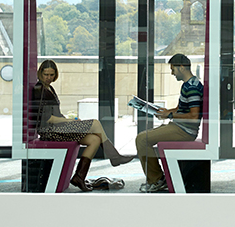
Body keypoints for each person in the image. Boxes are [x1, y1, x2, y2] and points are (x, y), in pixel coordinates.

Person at [31, 59, 134, 192]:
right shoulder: (40, 89)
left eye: (51, 75)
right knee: (95, 123)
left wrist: (69, 119)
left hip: (57, 128)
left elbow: (54, 114)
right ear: (40, 73)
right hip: (49, 131)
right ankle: (114, 157)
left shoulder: (48, 88)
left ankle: (79, 176)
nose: (49, 78)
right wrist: (69, 122)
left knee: (95, 139)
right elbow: (47, 118)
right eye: (46, 75)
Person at [135, 54, 203, 193]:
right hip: (179, 126)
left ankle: (156, 180)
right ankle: (158, 178)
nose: (172, 73)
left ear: (182, 68)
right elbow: (182, 109)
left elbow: (194, 115)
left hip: (184, 131)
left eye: (173, 69)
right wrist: (167, 112)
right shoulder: (189, 84)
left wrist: (170, 115)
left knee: (142, 139)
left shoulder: (192, 88)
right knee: (145, 141)